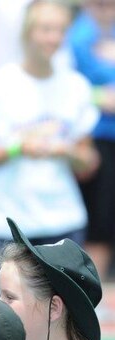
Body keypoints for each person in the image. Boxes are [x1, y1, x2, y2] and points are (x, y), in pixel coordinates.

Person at [0, 0, 100, 298]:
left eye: (60, 30)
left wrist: (67, 152)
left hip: (61, 221)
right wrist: (18, 148)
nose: (53, 38)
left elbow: (88, 162)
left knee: (64, 320)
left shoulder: (76, 87)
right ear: (28, 32)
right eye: (46, 29)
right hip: (4, 223)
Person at [68, 0, 115, 284]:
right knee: (98, 223)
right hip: (96, 139)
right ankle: (88, 294)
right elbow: (69, 86)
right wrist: (99, 97)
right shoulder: (78, 36)